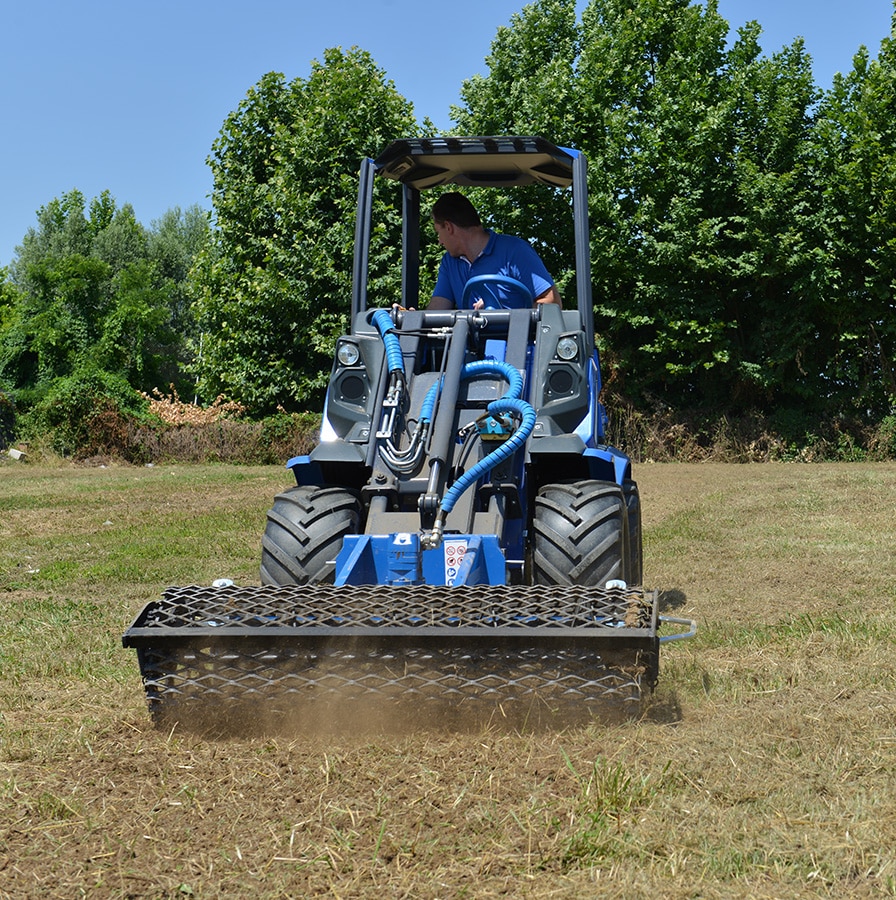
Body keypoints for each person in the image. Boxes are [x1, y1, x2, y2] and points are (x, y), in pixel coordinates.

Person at [428, 193, 562, 311]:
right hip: (468, 340)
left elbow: (552, 303)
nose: (439, 241)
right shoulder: (449, 262)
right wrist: (413, 318)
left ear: (448, 227)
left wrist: (501, 313)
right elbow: (437, 310)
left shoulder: (515, 251)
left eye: (438, 232)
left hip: (517, 339)